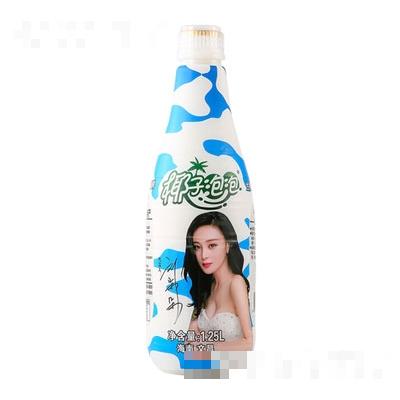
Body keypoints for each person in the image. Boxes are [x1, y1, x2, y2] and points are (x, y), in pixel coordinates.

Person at [183, 211, 253, 351]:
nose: (203, 255)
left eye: (212, 245)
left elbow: (249, 343)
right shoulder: (206, 288)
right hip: (204, 363)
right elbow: (189, 342)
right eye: (197, 247)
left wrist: (205, 345)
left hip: (235, 363)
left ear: (228, 245)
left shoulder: (236, 283)